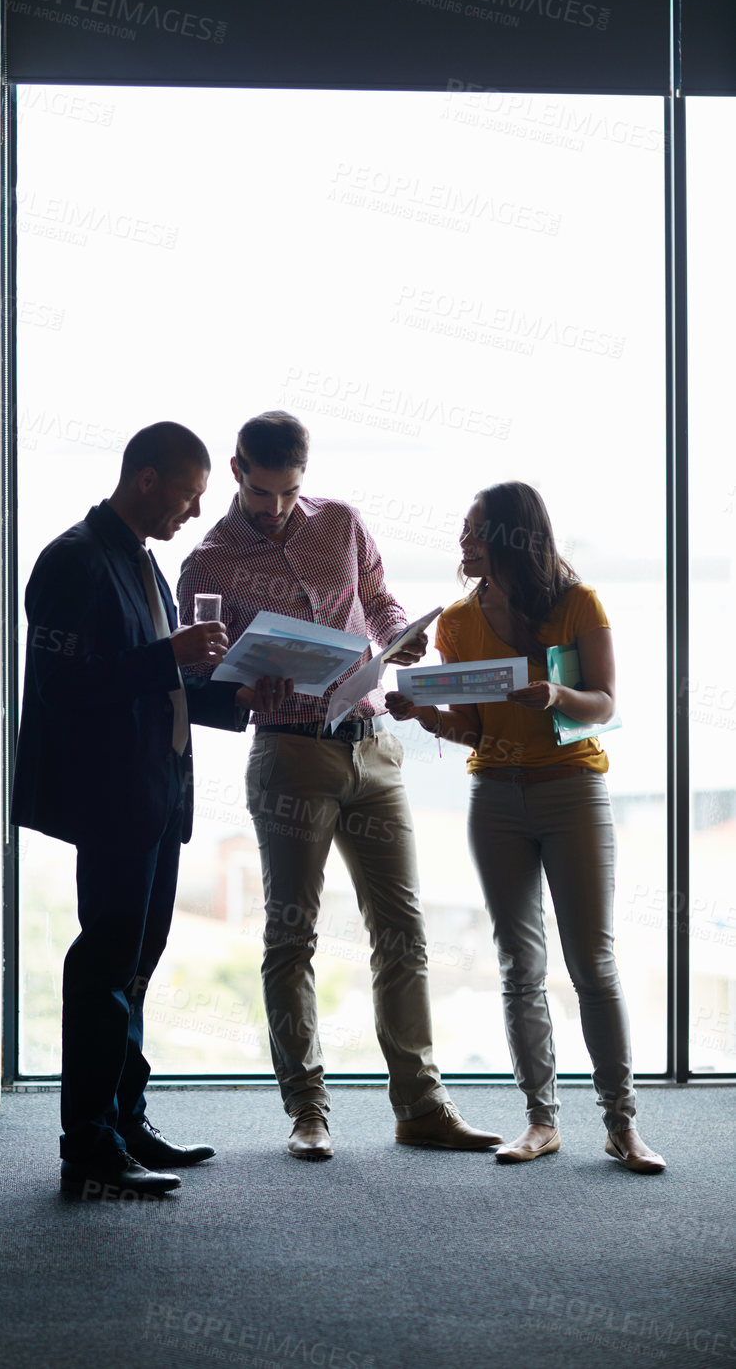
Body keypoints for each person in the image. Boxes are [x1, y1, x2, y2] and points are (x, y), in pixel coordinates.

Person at [176, 411, 502, 1160]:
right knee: (292, 938)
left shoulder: (342, 525)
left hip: (373, 745)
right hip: (290, 755)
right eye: (264, 493)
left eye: (291, 492)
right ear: (237, 471)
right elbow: (197, 676)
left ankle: (421, 1106)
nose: (278, 507)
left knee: (405, 932)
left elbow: (380, 599)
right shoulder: (209, 564)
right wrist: (241, 683)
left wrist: (400, 633)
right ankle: (308, 1113)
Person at [11, 421, 289, 1199]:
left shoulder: (142, 563)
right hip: (111, 796)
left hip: (157, 795)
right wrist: (170, 654)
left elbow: (159, 684)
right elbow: (70, 685)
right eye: (190, 495)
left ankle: (125, 1116)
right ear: (146, 480)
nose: (195, 513)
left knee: (136, 966)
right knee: (103, 963)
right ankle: (89, 1146)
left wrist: (237, 695)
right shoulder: (72, 560)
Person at [385, 481, 665, 1173]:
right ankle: (541, 1121)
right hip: (496, 797)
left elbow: (601, 703)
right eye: (463, 528)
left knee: (592, 963)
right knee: (519, 965)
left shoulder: (576, 603)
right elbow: (470, 727)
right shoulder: (454, 622)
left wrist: (555, 695)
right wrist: (421, 715)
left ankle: (622, 1125)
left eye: (477, 528)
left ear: (514, 534)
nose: (463, 540)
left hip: (573, 790)